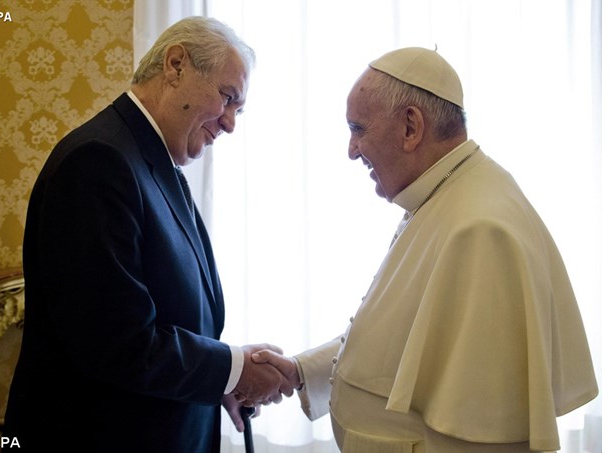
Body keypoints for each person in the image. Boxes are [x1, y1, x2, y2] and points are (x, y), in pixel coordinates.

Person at [251, 47, 598, 452]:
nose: (351, 149)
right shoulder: (445, 194)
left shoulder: (479, 229)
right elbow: (396, 345)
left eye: (358, 128)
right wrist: (299, 372)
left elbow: (478, 431)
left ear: (411, 127)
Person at [4, 16, 292, 453]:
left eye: (240, 108)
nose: (231, 122)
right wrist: (233, 368)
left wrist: (220, 382)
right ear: (175, 65)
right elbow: (117, 343)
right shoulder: (99, 162)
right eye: (227, 97)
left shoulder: (151, 159)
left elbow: (174, 316)